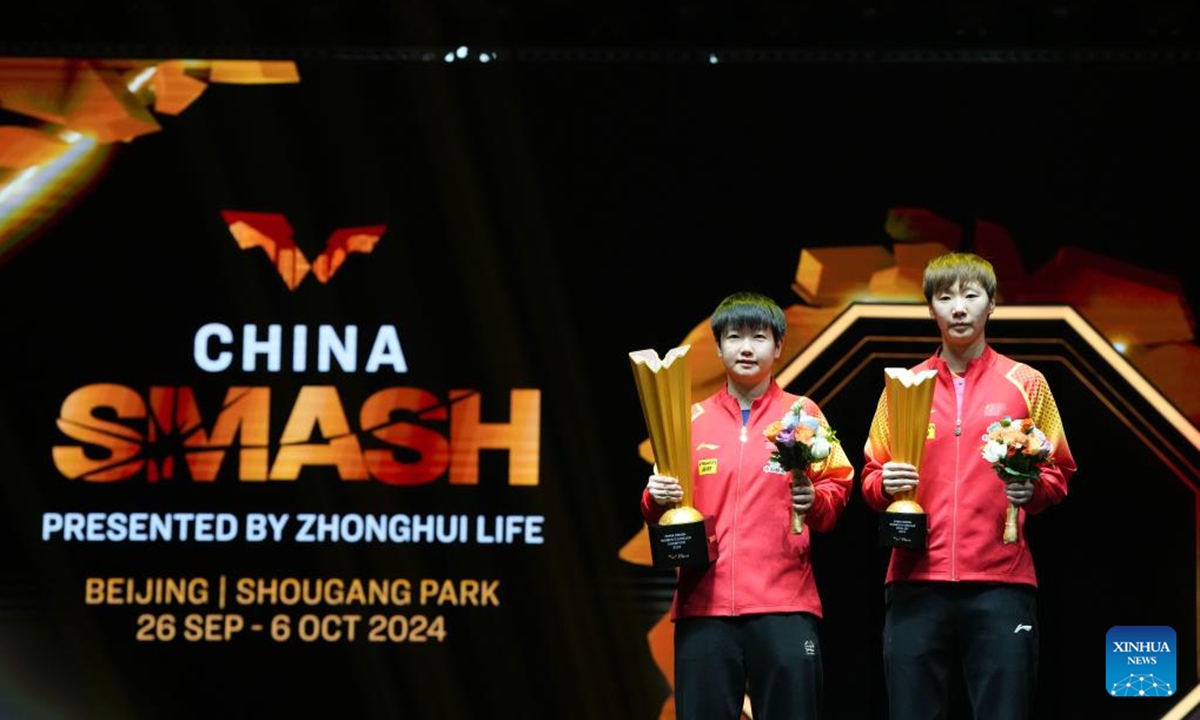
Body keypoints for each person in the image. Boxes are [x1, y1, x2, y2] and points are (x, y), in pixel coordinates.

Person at [860, 251, 1078, 720]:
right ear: (930, 309)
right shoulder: (902, 386)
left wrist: (1033, 489)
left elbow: (1059, 470)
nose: (958, 308)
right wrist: (885, 485)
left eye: (970, 295)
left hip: (1001, 584)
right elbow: (870, 476)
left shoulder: (1027, 384)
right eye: (945, 297)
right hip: (915, 582)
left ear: (991, 304)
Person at [641, 290, 854, 720]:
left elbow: (836, 490)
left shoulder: (802, 413)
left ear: (778, 347)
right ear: (718, 347)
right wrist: (653, 498)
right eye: (734, 337)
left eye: (759, 337)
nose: (746, 347)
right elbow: (659, 504)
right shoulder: (690, 420)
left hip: (785, 605)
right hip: (705, 609)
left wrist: (814, 500)